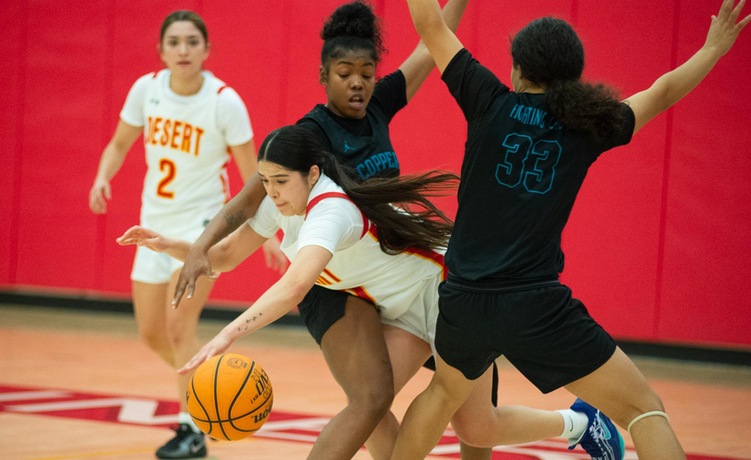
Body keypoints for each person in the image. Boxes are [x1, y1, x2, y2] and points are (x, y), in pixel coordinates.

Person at [118, 124, 622, 460]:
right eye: (265, 182)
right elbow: (224, 258)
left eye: (279, 182)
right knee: (369, 401)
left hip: (454, 301)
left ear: (312, 176)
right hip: (404, 312)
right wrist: (173, 246)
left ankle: (578, 424)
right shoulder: (280, 204)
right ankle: (578, 426)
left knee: (477, 429)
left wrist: (227, 334)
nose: (270, 193)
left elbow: (295, 285)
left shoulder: (330, 211)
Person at [389, 0, 751, 459]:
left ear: (518, 68)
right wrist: (712, 50)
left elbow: (429, 22)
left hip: (465, 301)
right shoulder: (587, 126)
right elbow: (660, 92)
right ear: (572, 74)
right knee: (644, 410)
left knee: (442, 394)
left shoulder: (487, 99)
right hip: (535, 307)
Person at [164, 2, 498, 460]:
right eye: (344, 73)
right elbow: (250, 201)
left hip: (399, 273)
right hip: (338, 278)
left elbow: (431, 43)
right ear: (324, 75)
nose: (357, 81)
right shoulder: (308, 143)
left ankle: (573, 423)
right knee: (372, 401)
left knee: (470, 423)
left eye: (366, 71)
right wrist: (199, 246)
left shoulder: (377, 105)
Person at [86, 10, 285, 459]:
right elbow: (119, 143)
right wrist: (103, 177)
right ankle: (210, 390)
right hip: (150, 227)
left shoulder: (223, 101)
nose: (182, 49)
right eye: (173, 42)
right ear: (161, 51)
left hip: (201, 232)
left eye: (192, 41)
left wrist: (267, 231)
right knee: (151, 332)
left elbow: (253, 172)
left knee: (179, 330)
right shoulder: (147, 90)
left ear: (206, 50)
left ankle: (191, 428)